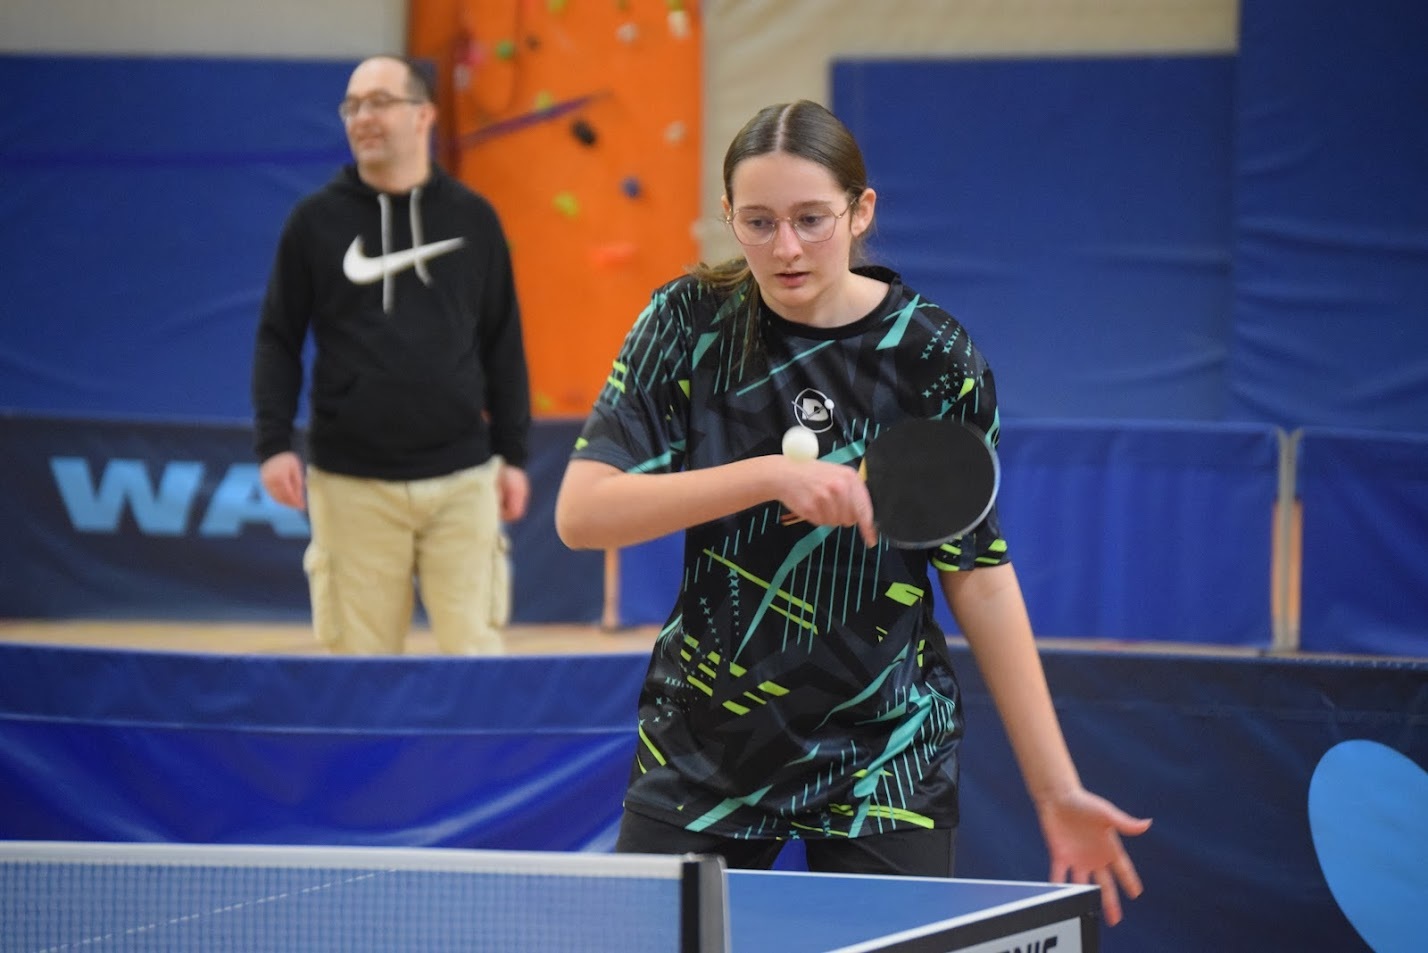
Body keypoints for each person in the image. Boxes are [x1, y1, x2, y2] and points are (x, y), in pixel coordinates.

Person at [555, 100, 1149, 925]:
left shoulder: (932, 356)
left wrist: (1056, 790)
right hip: (704, 742)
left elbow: (978, 575)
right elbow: (583, 514)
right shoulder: (687, 322)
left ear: (860, 211)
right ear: (728, 215)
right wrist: (767, 476)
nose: (785, 248)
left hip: (885, 756)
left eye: (811, 219)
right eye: (758, 222)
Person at [251, 55, 531, 655]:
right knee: (361, 673)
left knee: (476, 663)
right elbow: (278, 338)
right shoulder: (313, 223)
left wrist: (513, 454)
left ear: (423, 114)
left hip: (463, 482)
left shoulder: (474, 219)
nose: (362, 118)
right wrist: (273, 443)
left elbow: (502, 341)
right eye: (352, 106)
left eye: (379, 102)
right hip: (350, 485)